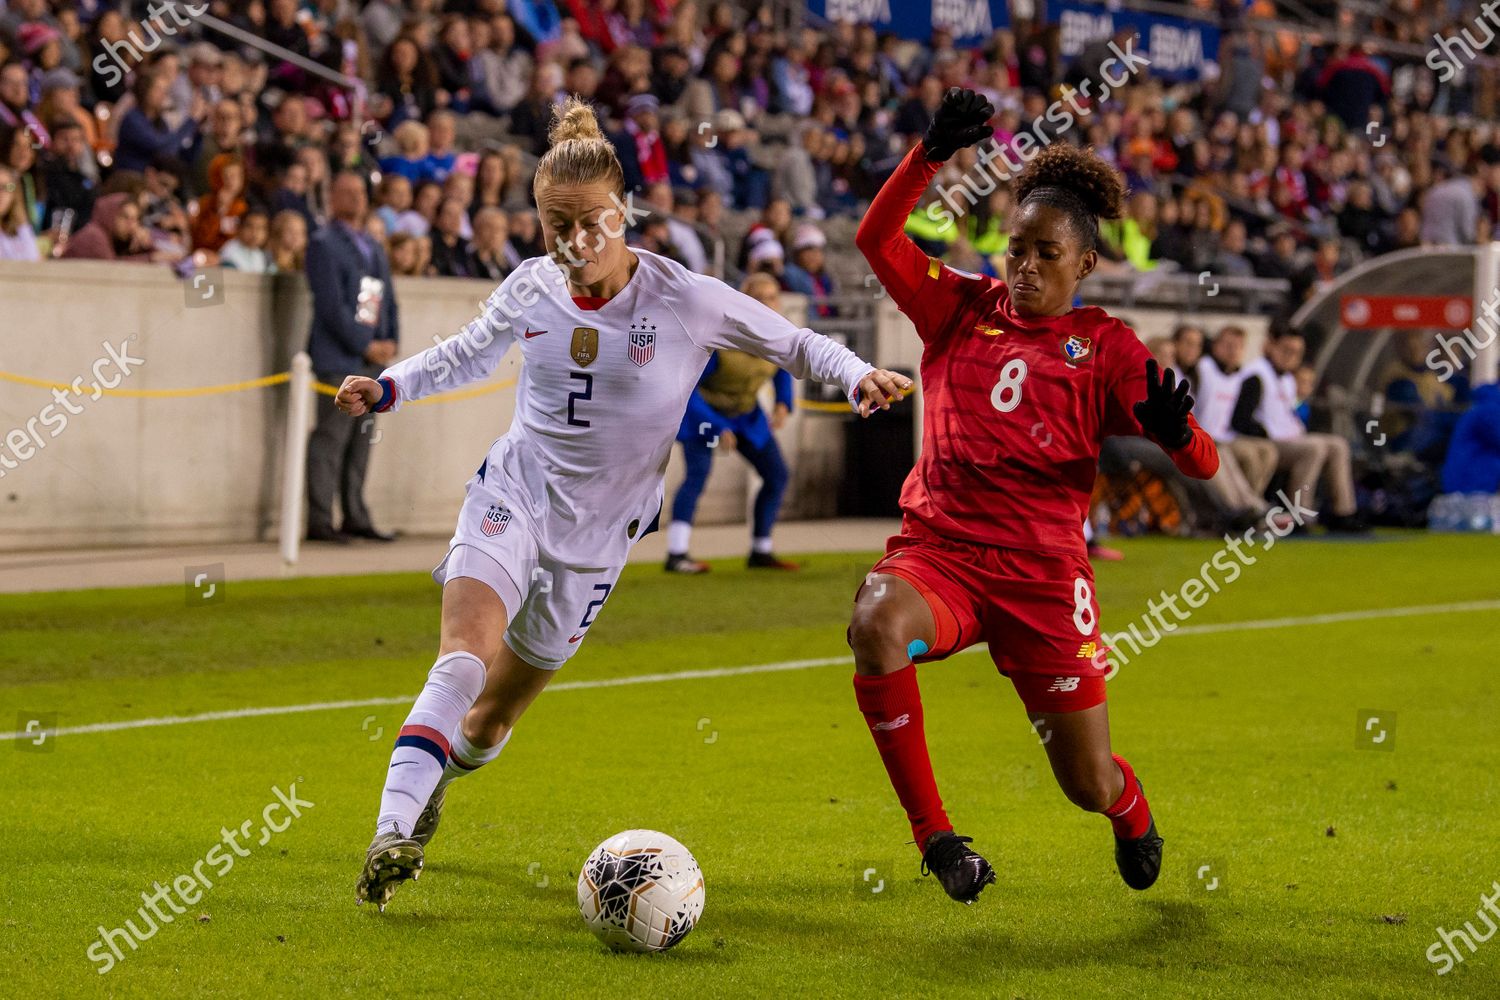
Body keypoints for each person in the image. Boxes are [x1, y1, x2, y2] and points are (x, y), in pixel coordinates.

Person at [335, 97, 911, 911]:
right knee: (464, 654)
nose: (573, 246)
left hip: (598, 538)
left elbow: (791, 340)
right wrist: (388, 388)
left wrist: (856, 374)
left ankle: (440, 780)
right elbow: (467, 354)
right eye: (554, 227)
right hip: (517, 493)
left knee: (492, 720)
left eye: (591, 225)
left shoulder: (684, 298)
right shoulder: (531, 287)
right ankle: (391, 831)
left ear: (623, 214)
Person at [848, 89, 1220, 905]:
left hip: (1043, 581)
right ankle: (937, 840)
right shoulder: (958, 308)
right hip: (940, 556)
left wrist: (1176, 431)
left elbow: (1203, 466)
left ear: (1084, 262)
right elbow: (875, 239)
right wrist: (928, 156)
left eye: (1044, 253)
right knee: (875, 622)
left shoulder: (1107, 347)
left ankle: (1130, 810)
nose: (1023, 266)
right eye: (1015, 249)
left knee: (1085, 781)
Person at [665, 271, 801, 574]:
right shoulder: (721, 337)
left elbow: (783, 369)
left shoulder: (778, 334)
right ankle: (676, 553)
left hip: (746, 415)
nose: (767, 303)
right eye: (759, 297)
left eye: (772, 296)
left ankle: (760, 550)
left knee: (776, 474)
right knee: (698, 475)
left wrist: (782, 403)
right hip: (704, 415)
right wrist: (716, 426)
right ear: (744, 301)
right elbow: (688, 388)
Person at [304, 172, 400, 544]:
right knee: (330, 438)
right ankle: (320, 519)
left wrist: (388, 339)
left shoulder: (371, 245)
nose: (357, 198)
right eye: (348, 192)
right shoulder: (323, 243)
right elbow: (331, 305)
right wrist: (364, 344)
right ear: (332, 197)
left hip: (369, 359)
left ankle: (355, 514)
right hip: (337, 357)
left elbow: (383, 297)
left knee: (361, 440)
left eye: (361, 192)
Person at [1234, 329, 1366, 532]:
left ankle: (1344, 511)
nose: (1291, 357)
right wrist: (1265, 433)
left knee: (1338, 444)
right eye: (1286, 350)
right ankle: (1300, 514)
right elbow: (1242, 418)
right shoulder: (1256, 375)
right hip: (1269, 441)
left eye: (1296, 352)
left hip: (1290, 438)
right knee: (1314, 448)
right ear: (1271, 346)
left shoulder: (1287, 379)